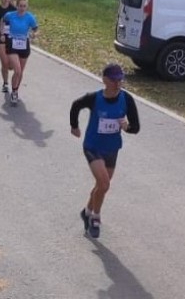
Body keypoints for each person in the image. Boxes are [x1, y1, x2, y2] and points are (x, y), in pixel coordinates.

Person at [69, 64, 140, 239]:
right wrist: (74, 126)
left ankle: (86, 211)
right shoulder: (94, 98)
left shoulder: (127, 99)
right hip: (93, 146)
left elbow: (135, 127)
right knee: (104, 184)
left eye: (120, 80)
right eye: (114, 80)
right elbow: (76, 105)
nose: (118, 84)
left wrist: (127, 127)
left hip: (112, 148)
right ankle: (95, 218)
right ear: (105, 80)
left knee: (101, 186)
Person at [3, 0, 38, 104]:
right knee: (17, 70)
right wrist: (3, 34)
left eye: (24, 6)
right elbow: (2, 22)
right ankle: (13, 92)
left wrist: (34, 34)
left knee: (20, 72)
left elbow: (36, 29)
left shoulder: (30, 17)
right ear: (16, 6)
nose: (22, 8)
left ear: (26, 7)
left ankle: (15, 91)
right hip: (12, 45)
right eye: (20, 6)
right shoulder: (10, 15)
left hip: (24, 46)